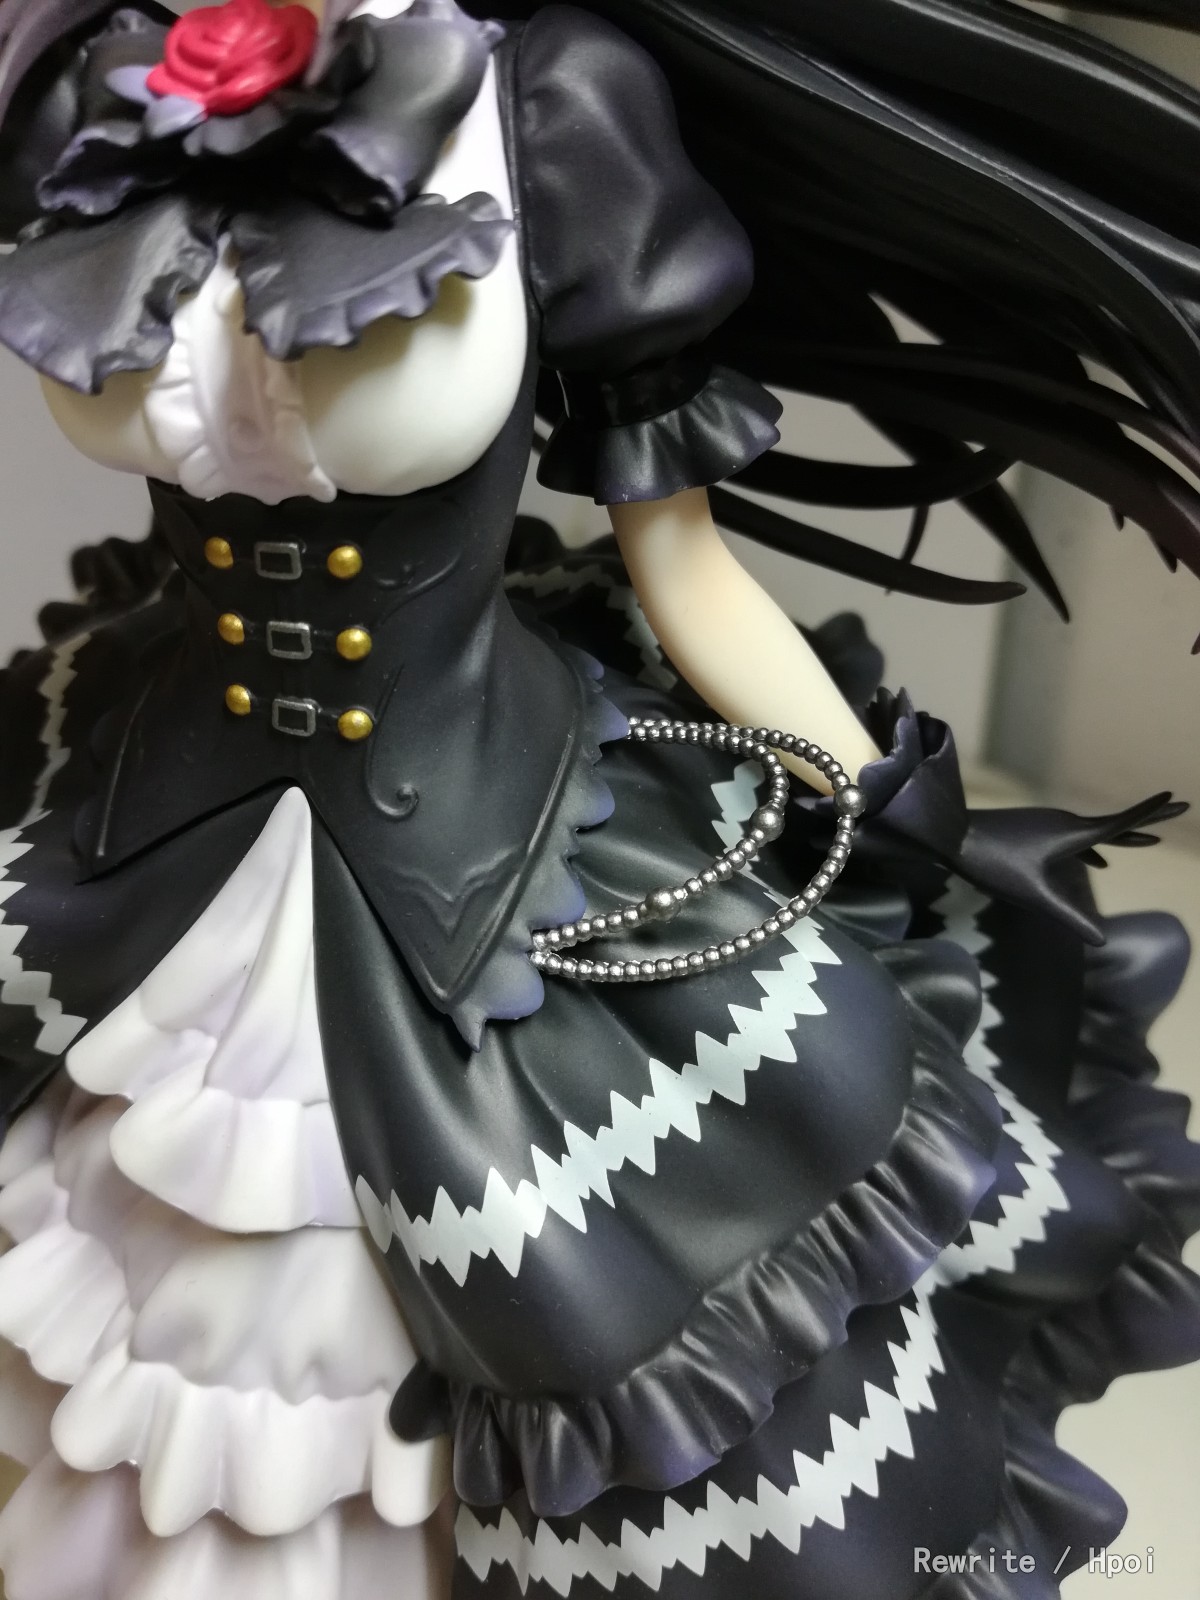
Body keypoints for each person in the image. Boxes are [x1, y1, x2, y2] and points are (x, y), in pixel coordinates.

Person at [0, 0, 1197, 1594]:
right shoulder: (99, 79)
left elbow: (682, 561)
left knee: (569, 1305)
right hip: (150, 811)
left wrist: (871, 805)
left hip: (481, 833)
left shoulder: (544, 104)